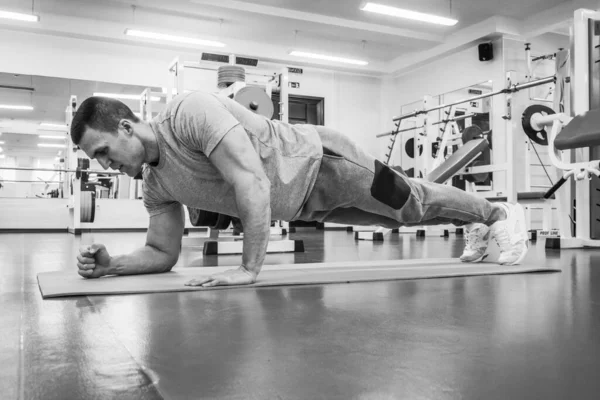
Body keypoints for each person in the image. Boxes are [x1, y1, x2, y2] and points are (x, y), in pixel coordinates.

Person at [73, 92, 528, 287]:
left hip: (326, 163)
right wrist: (114, 265)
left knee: (411, 205)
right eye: (98, 161)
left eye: (104, 152)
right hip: (307, 205)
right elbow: (161, 251)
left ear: (128, 127)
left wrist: (250, 269)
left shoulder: (188, 114)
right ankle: (481, 226)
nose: (107, 166)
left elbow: (251, 180)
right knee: (401, 217)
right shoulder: (155, 184)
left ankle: (497, 215)